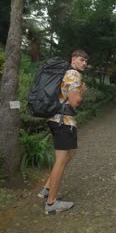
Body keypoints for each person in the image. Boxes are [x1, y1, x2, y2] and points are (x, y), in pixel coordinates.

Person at [37, 49, 88, 214]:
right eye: (81, 60)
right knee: (61, 160)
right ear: (73, 60)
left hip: (58, 120)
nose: (84, 63)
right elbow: (75, 101)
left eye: (86, 61)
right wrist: (82, 91)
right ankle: (51, 203)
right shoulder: (73, 74)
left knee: (71, 153)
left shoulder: (66, 73)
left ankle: (47, 189)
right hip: (63, 122)